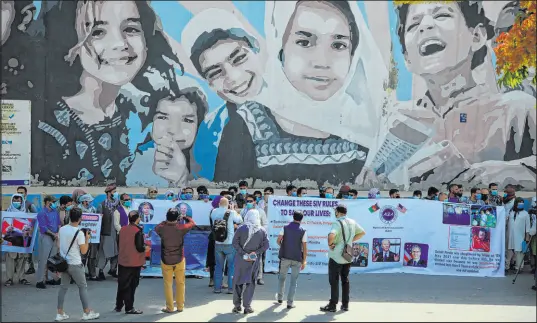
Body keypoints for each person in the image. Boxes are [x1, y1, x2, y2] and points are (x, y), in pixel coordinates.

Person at [55, 207, 99, 321]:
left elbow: (59, 246)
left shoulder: (62, 229)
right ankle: (87, 312)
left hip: (64, 263)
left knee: (63, 288)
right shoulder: (79, 233)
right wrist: (87, 239)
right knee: (82, 287)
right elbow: (84, 251)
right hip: (75, 263)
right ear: (80, 218)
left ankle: (59, 313)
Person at [321, 204, 365, 312]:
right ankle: (345, 305)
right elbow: (362, 233)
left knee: (334, 280)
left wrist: (330, 244)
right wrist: (349, 241)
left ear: (337, 212)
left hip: (336, 255)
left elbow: (331, 235)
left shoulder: (337, 222)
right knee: (345, 280)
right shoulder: (352, 222)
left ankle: (333, 305)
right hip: (348, 253)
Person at [155, 208, 196, 313]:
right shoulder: (181, 228)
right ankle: (180, 306)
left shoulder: (162, 228)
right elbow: (192, 223)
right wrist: (185, 217)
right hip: (179, 259)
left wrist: (165, 221)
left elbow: (157, 227)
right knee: (180, 283)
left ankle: (170, 307)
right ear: (177, 218)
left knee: (168, 284)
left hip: (166, 259)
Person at [231, 209, 269, 314]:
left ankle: (237, 306)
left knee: (237, 282)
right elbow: (266, 246)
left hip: (241, 259)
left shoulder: (241, 228)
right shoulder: (262, 230)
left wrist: (243, 253)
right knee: (251, 282)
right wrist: (255, 253)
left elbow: (234, 243)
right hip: (253, 260)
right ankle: (247, 307)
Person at [115, 210, 146, 315]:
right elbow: (139, 247)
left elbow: (118, 242)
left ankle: (118, 305)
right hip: (134, 262)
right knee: (131, 286)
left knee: (122, 284)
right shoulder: (138, 231)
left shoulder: (123, 229)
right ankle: (129, 307)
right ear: (137, 219)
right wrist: (146, 248)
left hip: (123, 260)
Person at [276, 211, 307, 309]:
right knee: (294, 281)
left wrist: (284, 246)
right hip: (297, 258)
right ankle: (290, 303)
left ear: (293, 217)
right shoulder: (303, 231)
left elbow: (278, 240)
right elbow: (305, 248)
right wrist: (304, 260)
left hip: (285, 257)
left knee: (282, 278)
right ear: (301, 219)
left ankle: (280, 298)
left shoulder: (285, 228)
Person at [211, 197, 243, 294]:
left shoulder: (214, 211)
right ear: (228, 204)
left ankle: (217, 288)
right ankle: (231, 289)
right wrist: (233, 209)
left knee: (218, 266)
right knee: (231, 267)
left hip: (218, 243)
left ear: (219, 203)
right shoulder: (231, 212)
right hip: (229, 243)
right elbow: (240, 220)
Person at [4, 193, 32, 286]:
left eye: (18, 200)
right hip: (11, 240)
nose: (16, 202)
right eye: (14, 200)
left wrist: (27, 230)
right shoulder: (7, 213)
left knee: (22, 259)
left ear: (22, 201)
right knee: (10, 260)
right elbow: (4, 226)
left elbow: (28, 226)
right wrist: (9, 229)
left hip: (22, 240)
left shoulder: (25, 214)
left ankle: (22, 278)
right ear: (12, 201)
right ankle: (9, 279)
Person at [240, 195, 268, 285]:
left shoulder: (260, 211)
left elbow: (265, 224)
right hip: (245, 238)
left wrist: (261, 233)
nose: (249, 203)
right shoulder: (243, 211)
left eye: (251, 201)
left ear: (255, 202)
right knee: (245, 257)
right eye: (247, 201)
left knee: (257, 258)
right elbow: (240, 223)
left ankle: (259, 277)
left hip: (257, 238)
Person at [36, 195, 61, 289]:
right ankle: (39, 280)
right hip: (46, 236)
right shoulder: (41, 213)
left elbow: (59, 223)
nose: (54, 204)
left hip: (55, 236)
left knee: (52, 259)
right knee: (43, 259)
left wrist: (57, 233)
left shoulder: (55, 212)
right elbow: (44, 228)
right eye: (53, 202)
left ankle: (49, 278)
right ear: (47, 202)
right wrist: (54, 234)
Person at [96, 184, 120, 280]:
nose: (115, 193)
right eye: (114, 192)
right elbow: (98, 220)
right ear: (109, 193)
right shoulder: (102, 205)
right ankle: (101, 271)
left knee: (116, 251)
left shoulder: (118, 204)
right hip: (106, 232)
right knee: (104, 252)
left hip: (117, 231)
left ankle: (113, 269)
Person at [506, 197, 531, 273]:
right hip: (510, 235)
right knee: (509, 251)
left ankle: (518, 268)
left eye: (522, 202)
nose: (521, 204)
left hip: (520, 235)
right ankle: (506, 266)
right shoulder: (511, 212)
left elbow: (528, 226)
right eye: (519, 202)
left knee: (519, 252)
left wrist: (527, 237)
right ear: (516, 203)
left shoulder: (525, 214)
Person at [17, 186, 38, 275]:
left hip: (27, 230)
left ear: (26, 194)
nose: (20, 194)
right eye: (18, 192)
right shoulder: (14, 203)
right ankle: (17, 267)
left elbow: (36, 216)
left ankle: (31, 267)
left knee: (28, 249)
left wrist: (32, 229)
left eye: (22, 192)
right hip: (17, 229)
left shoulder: (29, 204)